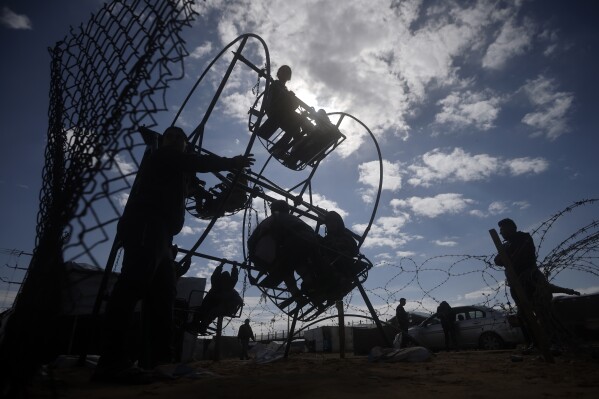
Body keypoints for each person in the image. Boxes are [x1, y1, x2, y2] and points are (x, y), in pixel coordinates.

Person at [93, 126, 254, 383]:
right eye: (171, 136)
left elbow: (191, 182)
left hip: (164, 235)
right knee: (132, 286)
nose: (176, 140)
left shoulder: (177, 174)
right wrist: (230, 163)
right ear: (164, 141)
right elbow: (195, 162)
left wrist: (205, 193)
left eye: (180, 138)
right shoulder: (163, 156)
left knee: (163, 296)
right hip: (146, 224)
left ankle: (161, 361)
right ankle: (111, 361)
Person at [493, 218, 571, 353]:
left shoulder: (524, 238)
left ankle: (556, 343)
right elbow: (498, 261)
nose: (501, 233)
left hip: (531, 280)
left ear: (512, 227)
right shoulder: (506, 245)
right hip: (516, 284)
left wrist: (507, 258)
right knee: (523, 315)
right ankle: (535, 343)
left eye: (503, 229)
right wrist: (507, 258)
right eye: (500, 230)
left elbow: (516, 257)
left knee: (543, 312)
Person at [247, 200, 319, 295]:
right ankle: (311, 287)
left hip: (265, 257)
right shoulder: (290, 219)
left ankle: (297, 294)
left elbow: (251, 241)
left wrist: (254, 258)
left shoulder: (268, 221)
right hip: (299, 248)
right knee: (297, 264)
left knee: (287, 269)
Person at [257, 66, 304, 157]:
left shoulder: (284, 89)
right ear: (279, 74)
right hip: (277, 112)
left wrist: (292, 99)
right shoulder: (275, 85)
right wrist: (288, 98)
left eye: (287, 73)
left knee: (296, 127)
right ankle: (284, 148)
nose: (285, 74)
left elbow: (291, 106)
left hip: (284, 113)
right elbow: (271, 102)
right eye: (283, 72)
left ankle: (290, 149)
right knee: (297, 122)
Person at [186, 263, 243, 335]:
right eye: (222, 280)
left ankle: (203, 326)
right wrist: (222, 265)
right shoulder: (216, 286)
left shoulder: (230, 291)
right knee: (200, 311)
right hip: (210, 305)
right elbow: (215, 276)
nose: (223, 282)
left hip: (220, 308)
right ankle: (195, 324)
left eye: (225, 280)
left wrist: (232, 267)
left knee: (211, 313)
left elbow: (233, 279)